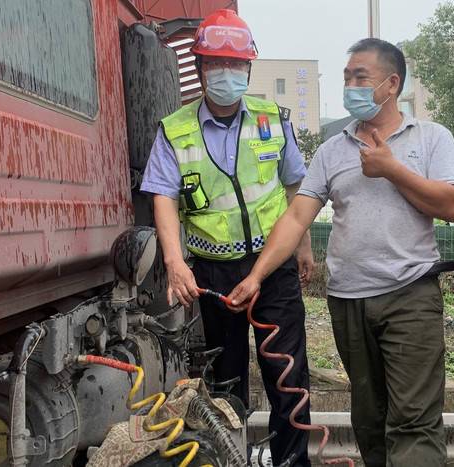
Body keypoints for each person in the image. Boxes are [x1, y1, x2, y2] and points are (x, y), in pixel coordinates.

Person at [228, 38, 454, 467]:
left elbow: (450, 205)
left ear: (391, 84)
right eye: (346, 77)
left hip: (409, 295)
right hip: (348, 300)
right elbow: (296, 218)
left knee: (412, 419)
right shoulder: (333, 150)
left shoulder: (431, 138)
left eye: (361, 77)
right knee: (369, 419)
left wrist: (392, 169)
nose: (351, 85)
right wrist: (257, 275)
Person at [140, 9, 314, 466]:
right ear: (199, 69)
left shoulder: (271, 119)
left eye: (236, 65)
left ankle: (292, 463)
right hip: (212, 275)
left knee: (288, 378)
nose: (227, 73)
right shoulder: (175, 130)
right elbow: (162, 197)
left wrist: (304, 246)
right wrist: (175, 263)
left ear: (249, 69)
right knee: (224, 381)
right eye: (216, 64)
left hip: (272, 269)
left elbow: (297, 188)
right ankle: (227, 460)